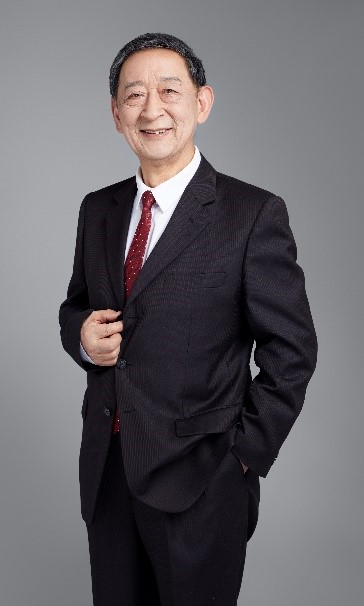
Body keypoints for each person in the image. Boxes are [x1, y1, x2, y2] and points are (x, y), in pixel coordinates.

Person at [59, 32, 317, 606]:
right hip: (108, 474)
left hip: (203, 480)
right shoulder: (98, 209)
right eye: (134, 95)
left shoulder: (252, 213)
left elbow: (292, 351)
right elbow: (76, 304)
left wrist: (243, 456)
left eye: (169, 91)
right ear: (116, 115)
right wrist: (80, 336)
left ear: (202, 103)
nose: (151, 109)